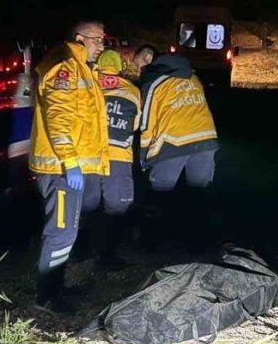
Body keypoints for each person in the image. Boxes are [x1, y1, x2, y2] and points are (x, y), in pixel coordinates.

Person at [28, 21, 109, 312]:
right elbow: (58, 116)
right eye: (97, 40)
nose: (102, 46)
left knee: (67, 231)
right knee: (60, 232)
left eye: (103, 41)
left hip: (71, 166)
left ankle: (56, 287)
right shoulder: (65, 68)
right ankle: (47, 296)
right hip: (61, 168)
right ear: (79, 38)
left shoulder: (82, 68)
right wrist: (70, 162)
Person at [138, 53, 220, 250]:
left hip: (174, 141)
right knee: (198, 193)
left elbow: (147, 122)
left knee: (160, 191)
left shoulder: (155, 83)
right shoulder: (193, 77)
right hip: (206, 138)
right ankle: (198, 243)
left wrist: (144, 157)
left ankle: (151, 242)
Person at [77, 49, 139, 267]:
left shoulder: (87, 86)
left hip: (89, 154)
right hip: (119, 155)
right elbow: (136, 124)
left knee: (85, 204)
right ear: (120, 67)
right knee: (117, 205)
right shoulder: (132, 90)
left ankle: (80, 250)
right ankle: (108, 255)